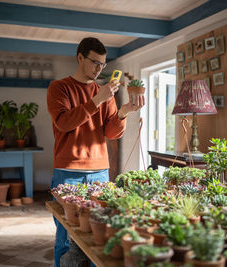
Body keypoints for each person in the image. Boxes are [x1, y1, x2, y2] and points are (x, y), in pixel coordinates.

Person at [47, 37, 145, 267]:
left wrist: (124, 111)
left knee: (99, 236)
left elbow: (112, 133)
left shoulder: (104, 93)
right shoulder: (59, 88)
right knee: (66, 236)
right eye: (94, 63)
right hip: (67, 171)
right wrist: (97, 100)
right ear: (80, 57)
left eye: (102, 64)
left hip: (100, 173)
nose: (99, 69)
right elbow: (64, 123)